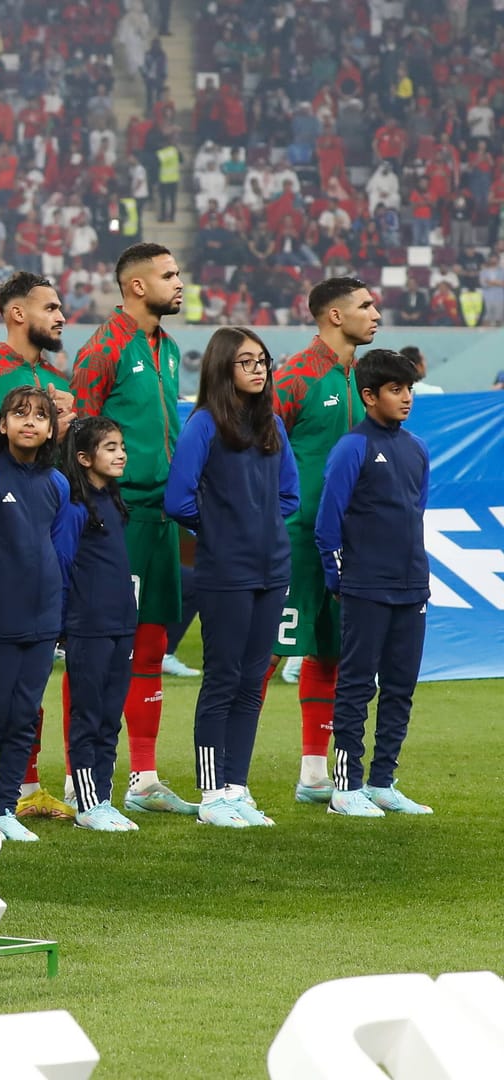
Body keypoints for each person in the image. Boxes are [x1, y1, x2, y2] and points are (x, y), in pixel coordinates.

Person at [71, 242, 195, 815]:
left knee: (150, 645)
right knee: (97, 650)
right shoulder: (105, 347)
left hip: (160, 518)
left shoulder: (167, 349)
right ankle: (81, 775)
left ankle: (142, 776)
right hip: (114, 518)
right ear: (137, 286)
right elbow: (80, 435)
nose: (180, 283)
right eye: (169, 275)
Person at [163, 328, 298, 829]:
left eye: (262, 360)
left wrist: (259, 526)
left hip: (272, 567)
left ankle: (237, 788)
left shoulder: (272, 426)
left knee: (252, 681)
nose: (259, 369)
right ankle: (210, 795)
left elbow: (290, 497)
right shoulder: (203, 424)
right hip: (226, 570)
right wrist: (220, 531)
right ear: (223, 368)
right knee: (223, 679)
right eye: (246, 361)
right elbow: (177, 499)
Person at [0, 270, 75, 818]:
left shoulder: (54, 480)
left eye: (41, 416)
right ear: (17, 312)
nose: (60, 317)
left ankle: (12, 800)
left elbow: (57, 546)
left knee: (24, 708)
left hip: (40, 607)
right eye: (50, 307)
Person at [271, 276, 379, 803]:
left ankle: (315, 774)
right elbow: (258, 446)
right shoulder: (294, 375)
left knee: (332, 653)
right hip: (292, 536)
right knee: (260, 652)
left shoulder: (365, 380)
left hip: (348, 541)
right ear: (334, 316)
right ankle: (222, 781)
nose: (375, 312)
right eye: (364, 305)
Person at [316, 348, 433, 817]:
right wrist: (339, 577)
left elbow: (415, 511)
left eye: (409, 389)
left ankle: (383, 782)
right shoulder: (353, 447)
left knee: (401, 685)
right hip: (365, 586)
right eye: (395, 390)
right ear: (368, 395)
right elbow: (329, 521)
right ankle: (346, 787)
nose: (406, 398)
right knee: (357, 684)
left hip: (412, 586)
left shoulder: (416, 447)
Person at [58, 416, 140, 832]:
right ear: (84, 458)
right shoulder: (75, 508)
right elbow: (62, 566)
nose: (120, 453)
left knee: (111, 716)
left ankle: (102, 799)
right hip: (87, 624)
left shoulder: (113, 501)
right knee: (88, 714)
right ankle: (87, 803)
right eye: (110, 447)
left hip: (121, 623)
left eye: (121, 445)